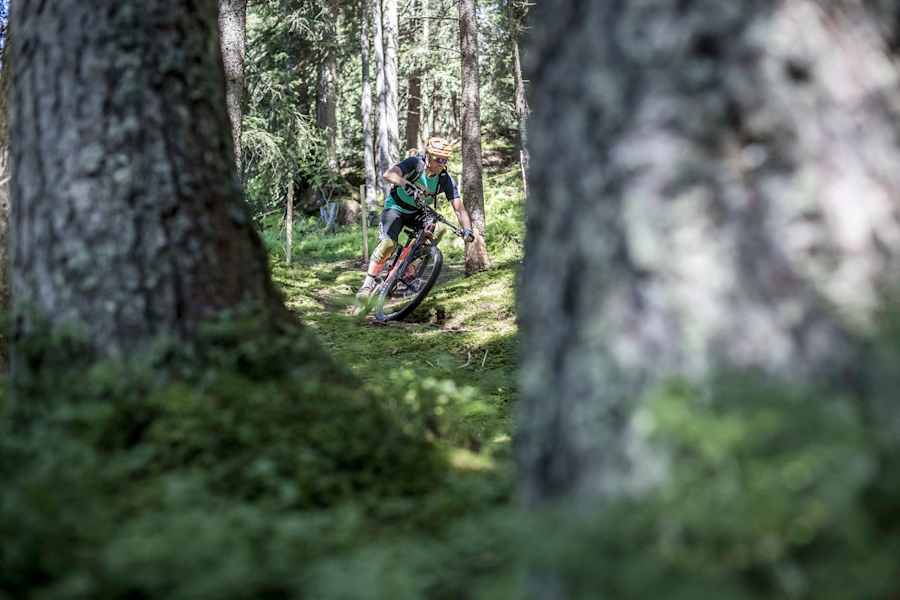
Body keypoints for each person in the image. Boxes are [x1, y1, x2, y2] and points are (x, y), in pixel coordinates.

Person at [356, 136, 475, 307]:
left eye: (445, 160)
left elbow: (459, 208)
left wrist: (467, 230)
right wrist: (406, 184)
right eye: (438, 159)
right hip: (395, 207)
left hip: (418, 212)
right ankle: (368, 284)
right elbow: (388, 174)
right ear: (428, 155)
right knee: (388, 244)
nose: (442, 163)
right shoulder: (415, 163)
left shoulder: (444, 179)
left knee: (436, 228)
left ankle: (407, 268)